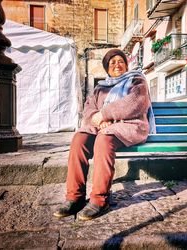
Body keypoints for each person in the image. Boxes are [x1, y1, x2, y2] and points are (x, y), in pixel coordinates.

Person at [54, 48, 155, 221]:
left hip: (130, 125)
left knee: (104, 139)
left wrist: (105, 114)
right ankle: (74, 197)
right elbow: (89, 108)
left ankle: (100, 200)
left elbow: (136, 102)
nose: (117, 65)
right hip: (103, 126)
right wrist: (98, 119)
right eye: (112, 62)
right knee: (79, 140)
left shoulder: (136, 80)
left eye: (120, 61)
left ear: (126, 64)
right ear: (107, 68)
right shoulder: (100, 88)